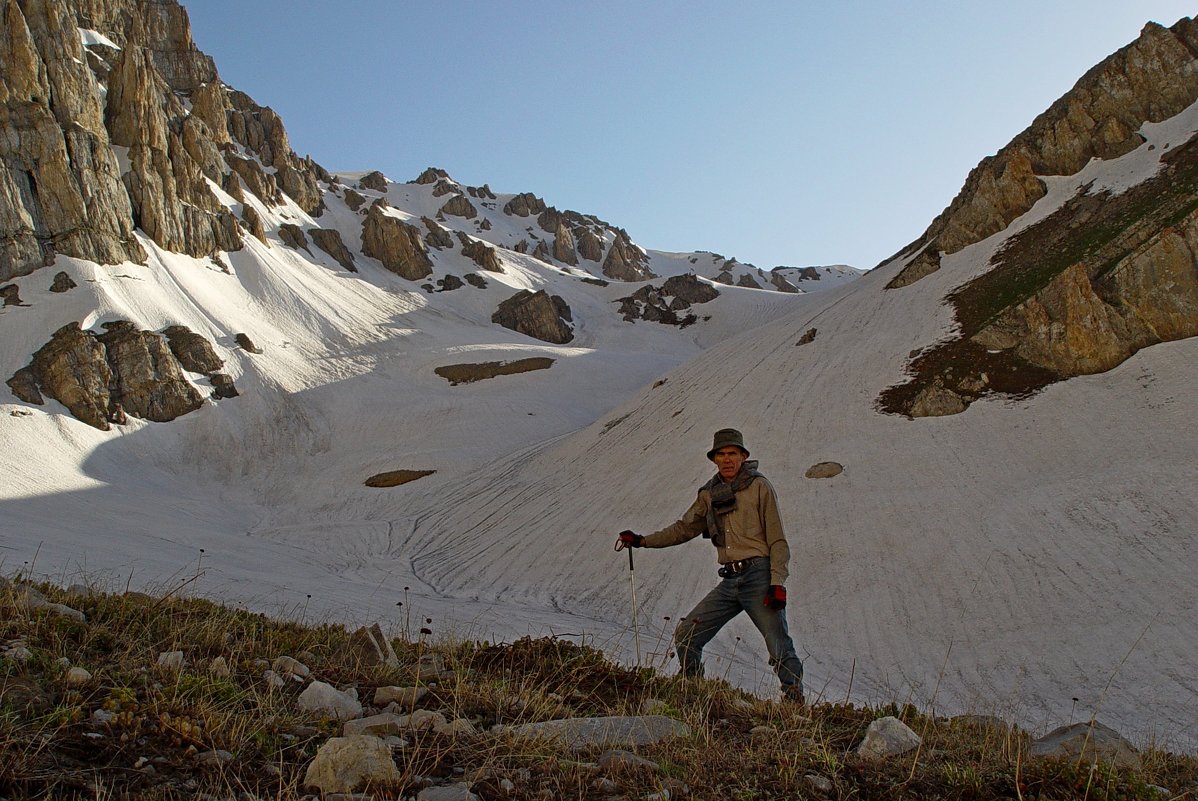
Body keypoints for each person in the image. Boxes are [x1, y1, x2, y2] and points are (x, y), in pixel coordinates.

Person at [616, 428, 805, 702]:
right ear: (714, 459)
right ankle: (693, 693)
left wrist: (777, 583)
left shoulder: (760, 487)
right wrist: (643, 541)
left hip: (759, 577)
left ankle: (794, 702)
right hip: (730, 581)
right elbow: (684, 529)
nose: (727, 460)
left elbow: (777, 539)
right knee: (686, 635)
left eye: (732, 454)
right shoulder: (709, 494)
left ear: (743, 456)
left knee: (779, 646)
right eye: (721, 454)